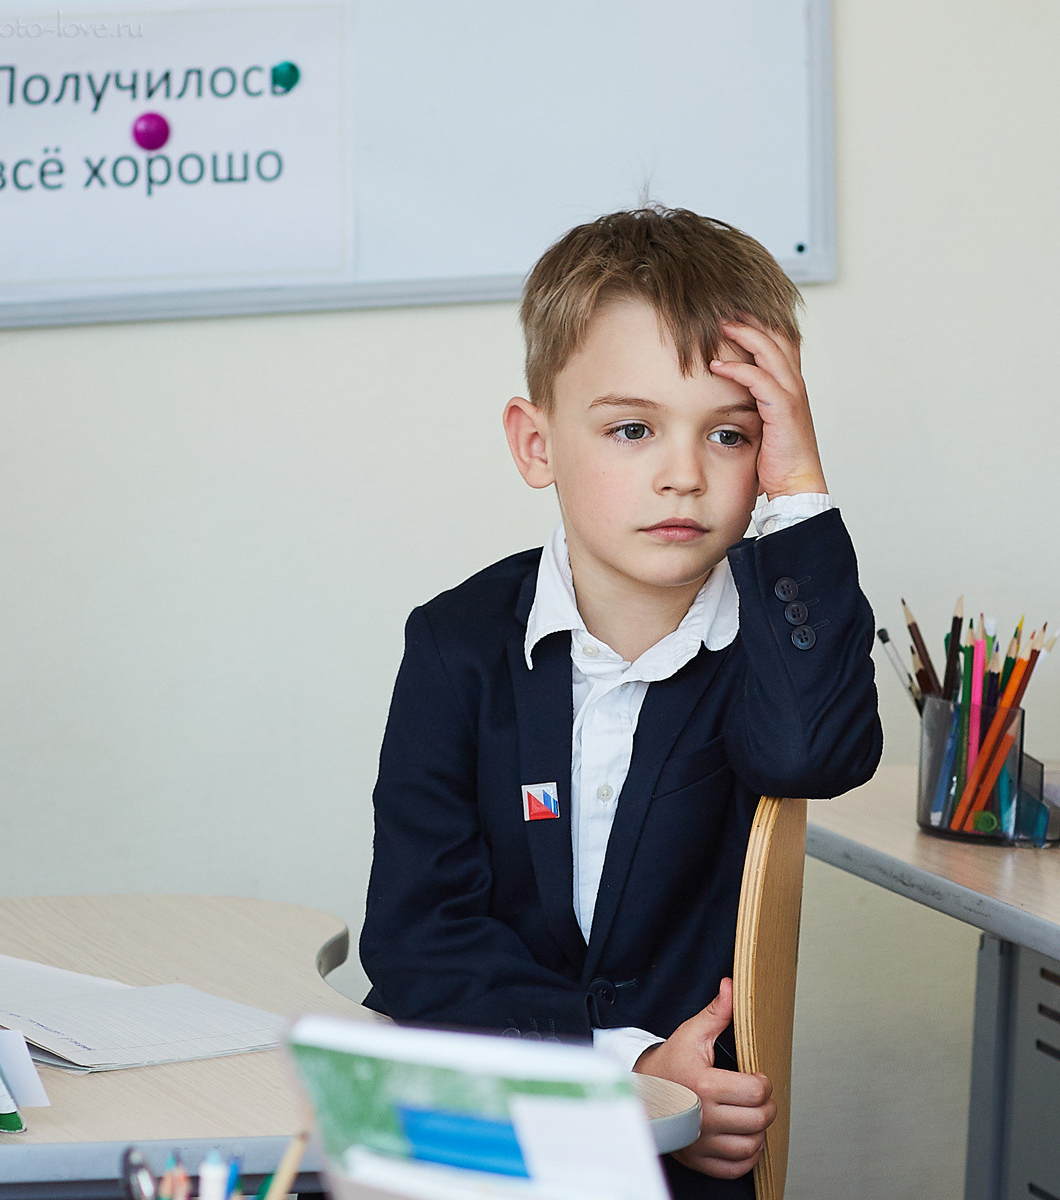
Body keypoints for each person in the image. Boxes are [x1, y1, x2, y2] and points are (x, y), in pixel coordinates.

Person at [359, 207, 882, 1199]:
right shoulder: (456, 644)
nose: (682, 471)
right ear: (537, 442)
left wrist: (801, 493)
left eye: (729, 434)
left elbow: (814, 754)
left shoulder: (763, 651)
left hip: (687, 1153)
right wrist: (626, 1071)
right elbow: (418, 934)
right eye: (633, 428)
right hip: (490, 1124)